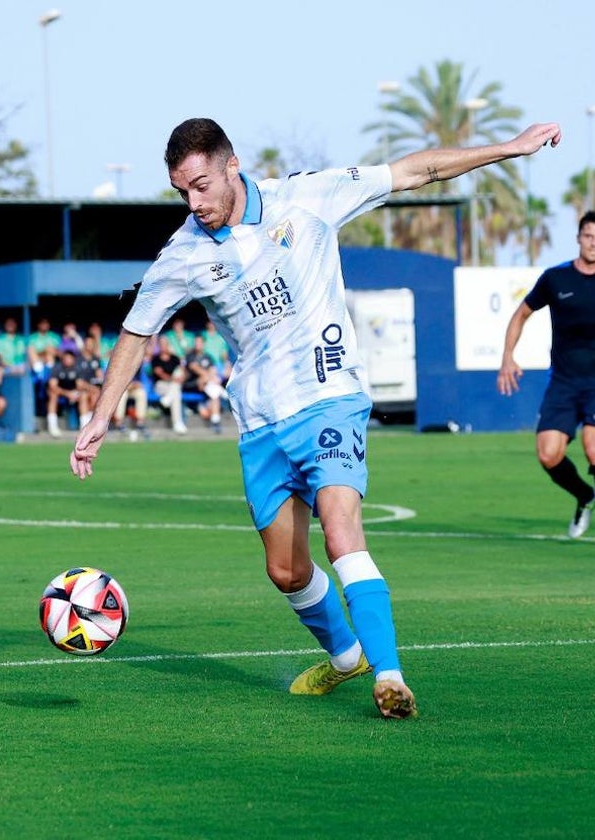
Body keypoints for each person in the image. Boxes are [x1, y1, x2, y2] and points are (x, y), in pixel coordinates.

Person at [72, 116, 563, 719]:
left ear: (232, 165)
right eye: (181, 191)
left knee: (341, 531)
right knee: (285, 569)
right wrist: (101, 415)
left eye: (201, 185)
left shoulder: (306, 197)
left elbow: (416, 170)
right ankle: (346, 656)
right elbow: (137, 330)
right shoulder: (184, 254)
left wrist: (509, 149)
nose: (193, 202)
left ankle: (390, 675)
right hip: (260, 421)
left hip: (330, 397)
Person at [498, 210, 595, 548]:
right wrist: (507, 356)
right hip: (563, 381)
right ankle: (584, 494)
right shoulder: (555, 278)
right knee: (548, 454)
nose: (594, 242)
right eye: (588, 235)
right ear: (579, 238)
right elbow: (521, 314)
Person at [184, 333, 225, 432]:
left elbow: (213, 370)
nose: (198, 344)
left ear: (204, 344)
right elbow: (195, 368)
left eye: (200, 342)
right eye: (196, 342)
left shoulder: (208, 357)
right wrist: (208, 376)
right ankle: (223, 393)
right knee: (207, 381)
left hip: (206, 385)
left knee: (214, 394)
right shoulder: (190, 356)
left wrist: (209, 377)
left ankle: (215, 421)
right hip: (192, 384)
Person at [149, 335, 189, 434]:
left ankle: (167, 402)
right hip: (161, 385)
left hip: (173, 386)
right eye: (161, 344)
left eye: (165, 344)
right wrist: (174, 379)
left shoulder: (175, 358)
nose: (163, 346)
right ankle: (178, 423)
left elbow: (183, 372)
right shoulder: (155, 359)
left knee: (176, 391)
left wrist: (181, 378)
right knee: (176, 390)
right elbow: (160, 374)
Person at [46, 348, 85, 437]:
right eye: (65, 358)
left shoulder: (77, 368)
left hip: (74, 393)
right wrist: (67, 394)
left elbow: (80, 385)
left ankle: (84, 427)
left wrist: (75, 393)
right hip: (60, 393)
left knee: (84, 396)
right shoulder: (57, 368)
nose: (67, 360)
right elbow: (52, 386)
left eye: (69, 358)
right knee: (52, 395)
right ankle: (53, 427)